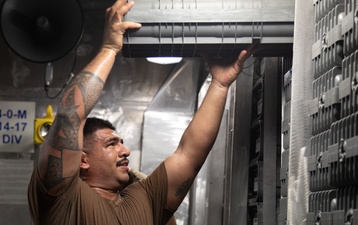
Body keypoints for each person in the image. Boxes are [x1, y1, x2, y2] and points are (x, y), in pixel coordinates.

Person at [27, 0, 255, 225]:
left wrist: (220, 85)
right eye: (111, 144)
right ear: (82, 160)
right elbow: (70, 114)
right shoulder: (61, 198)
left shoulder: (144, 199)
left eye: (121, 142)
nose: (125, 150)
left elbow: (189, 153)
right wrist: (109, 49)